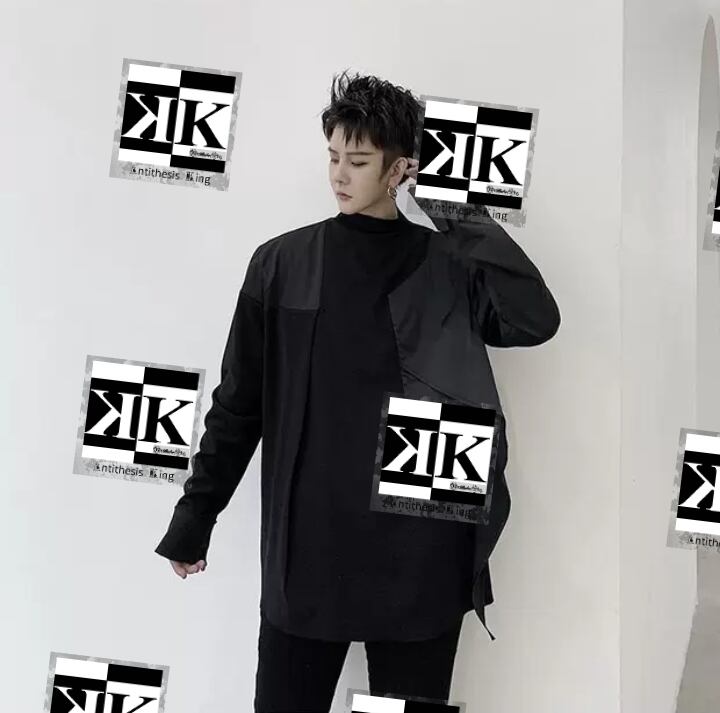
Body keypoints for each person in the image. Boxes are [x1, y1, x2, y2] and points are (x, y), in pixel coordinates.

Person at [155, 70, 561, 713]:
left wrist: (451, 206)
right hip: (309, 548)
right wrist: (195, 515)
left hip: (420, 551)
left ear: (400, 169)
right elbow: (239, 404)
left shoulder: (445, 265)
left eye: (360, 160)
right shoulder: (282, 264)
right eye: (333, 157)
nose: (339, 175)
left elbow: (534, 320)